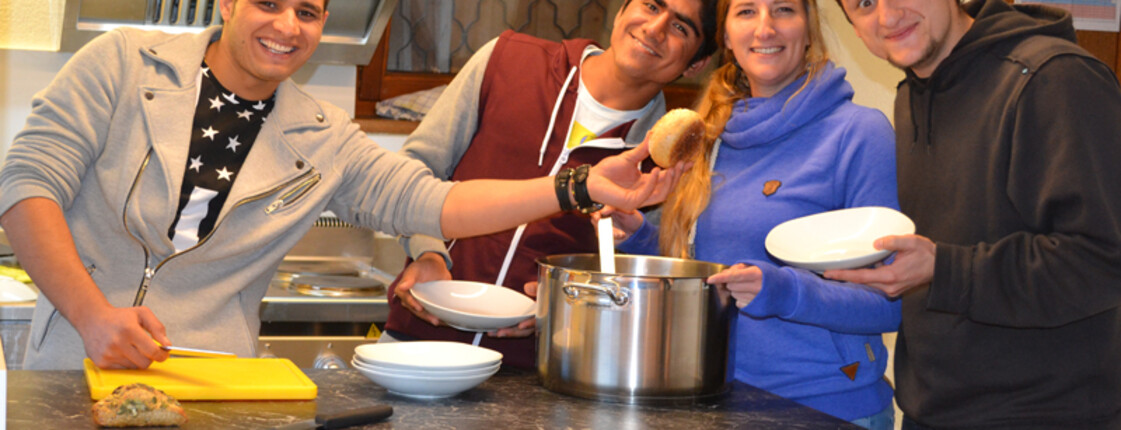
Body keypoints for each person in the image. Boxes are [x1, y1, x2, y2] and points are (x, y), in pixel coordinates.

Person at [0, 0, 686, 371]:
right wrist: (92, 315)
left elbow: (435, 201)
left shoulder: (322, 132)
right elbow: (27, 183)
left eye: (309, 10)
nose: (288, 26)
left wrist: (578, 185)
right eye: (269, 3)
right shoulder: (121, 62)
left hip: (218, 382)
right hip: (73, 359)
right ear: (229, 3)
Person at [827, 0, 1121, 428]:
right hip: (931, 411)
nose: (888, 17)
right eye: (865, 4)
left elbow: (1102, 259)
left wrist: (944, 270)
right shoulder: (910, 96)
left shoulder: (1056, 78)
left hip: (1048, 415)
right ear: (853, 26)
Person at [606, 0, 900, 427]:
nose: (765, 28)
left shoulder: (859, 134)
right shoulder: (709, 133)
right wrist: (642, 238)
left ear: (809, 29)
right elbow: (713, 271)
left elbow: (890, 303)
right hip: (712, 401)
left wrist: (783, 291)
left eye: (783, 9)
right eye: (746, 11)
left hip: (827, 408)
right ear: (725, 36)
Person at [382, 0, 719, 368]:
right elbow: (413, 171)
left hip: (530, 371)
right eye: (651, 5)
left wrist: (565, 305)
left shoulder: (662, 162)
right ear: (622, 9)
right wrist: (427, 252)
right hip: (415, 337)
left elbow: (637, 284)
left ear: (696, 63)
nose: (655, 28)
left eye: (681, 27)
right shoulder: (507, 59)